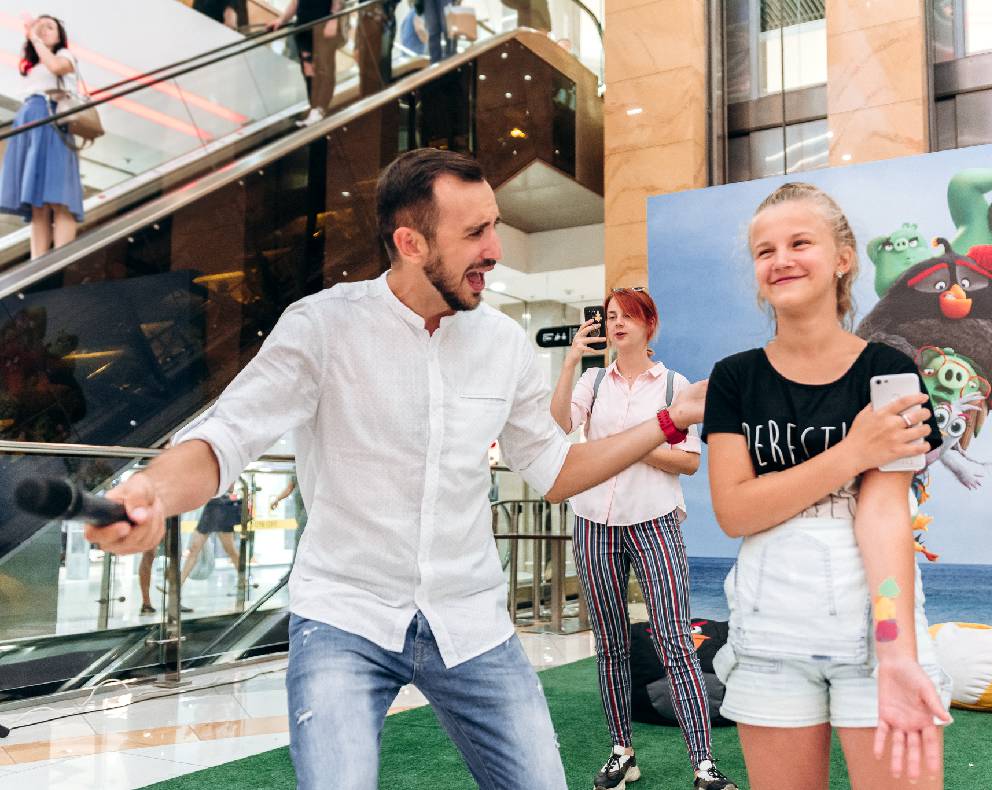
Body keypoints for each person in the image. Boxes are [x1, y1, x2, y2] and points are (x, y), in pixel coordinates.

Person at [85, 147, 707, 790]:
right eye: (475, 233)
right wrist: (153, 490)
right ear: (410, 242)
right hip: (344, 617)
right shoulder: (323, 327)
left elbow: (554, 470)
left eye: (494, 224)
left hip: (471, 621)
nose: (496, 249)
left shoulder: (503, 344)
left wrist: (667, 420)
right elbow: (227, 437)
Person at [702, 182, 952, 789]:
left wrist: (895, 652)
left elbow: (885, 514)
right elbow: (734, 511)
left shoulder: (889, 370)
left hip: (877, 620)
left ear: (842, 257)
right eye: (765, 251)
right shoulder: (733, 377)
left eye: (799, 242)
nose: (780, 259)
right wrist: (854, 452)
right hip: (768, 622)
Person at [550, 289, 737, 790]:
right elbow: (561, 424)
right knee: (610, 644)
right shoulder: (592, 381)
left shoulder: (674, 386)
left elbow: (689, 462)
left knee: (675, 641)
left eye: (627, 316)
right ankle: (622, 752)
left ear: (649, 325)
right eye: (610, 317)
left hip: (655, 521)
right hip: (591, 521)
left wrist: (627, 447)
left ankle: (703, 765)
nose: (616, 324)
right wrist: (570, 359)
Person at [0, 14, 83, 260]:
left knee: (60, 198)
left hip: (53, 122)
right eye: (41, 26)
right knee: (37, 204)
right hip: (30, 123)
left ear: (60, 36)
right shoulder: (31, 65)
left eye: (51, 27)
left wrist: (35, 39)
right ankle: (38, 264)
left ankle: (60, 261)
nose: (45, 30)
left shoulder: (64, 56)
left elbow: (56, 67)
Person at [267, 0, 343, 126]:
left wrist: (333, 19)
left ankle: (320, 109)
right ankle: (314, 108)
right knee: (308, 71)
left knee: (323, 69)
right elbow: (296, 2)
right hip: (303, 27)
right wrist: (282, 20)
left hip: (322, 24)